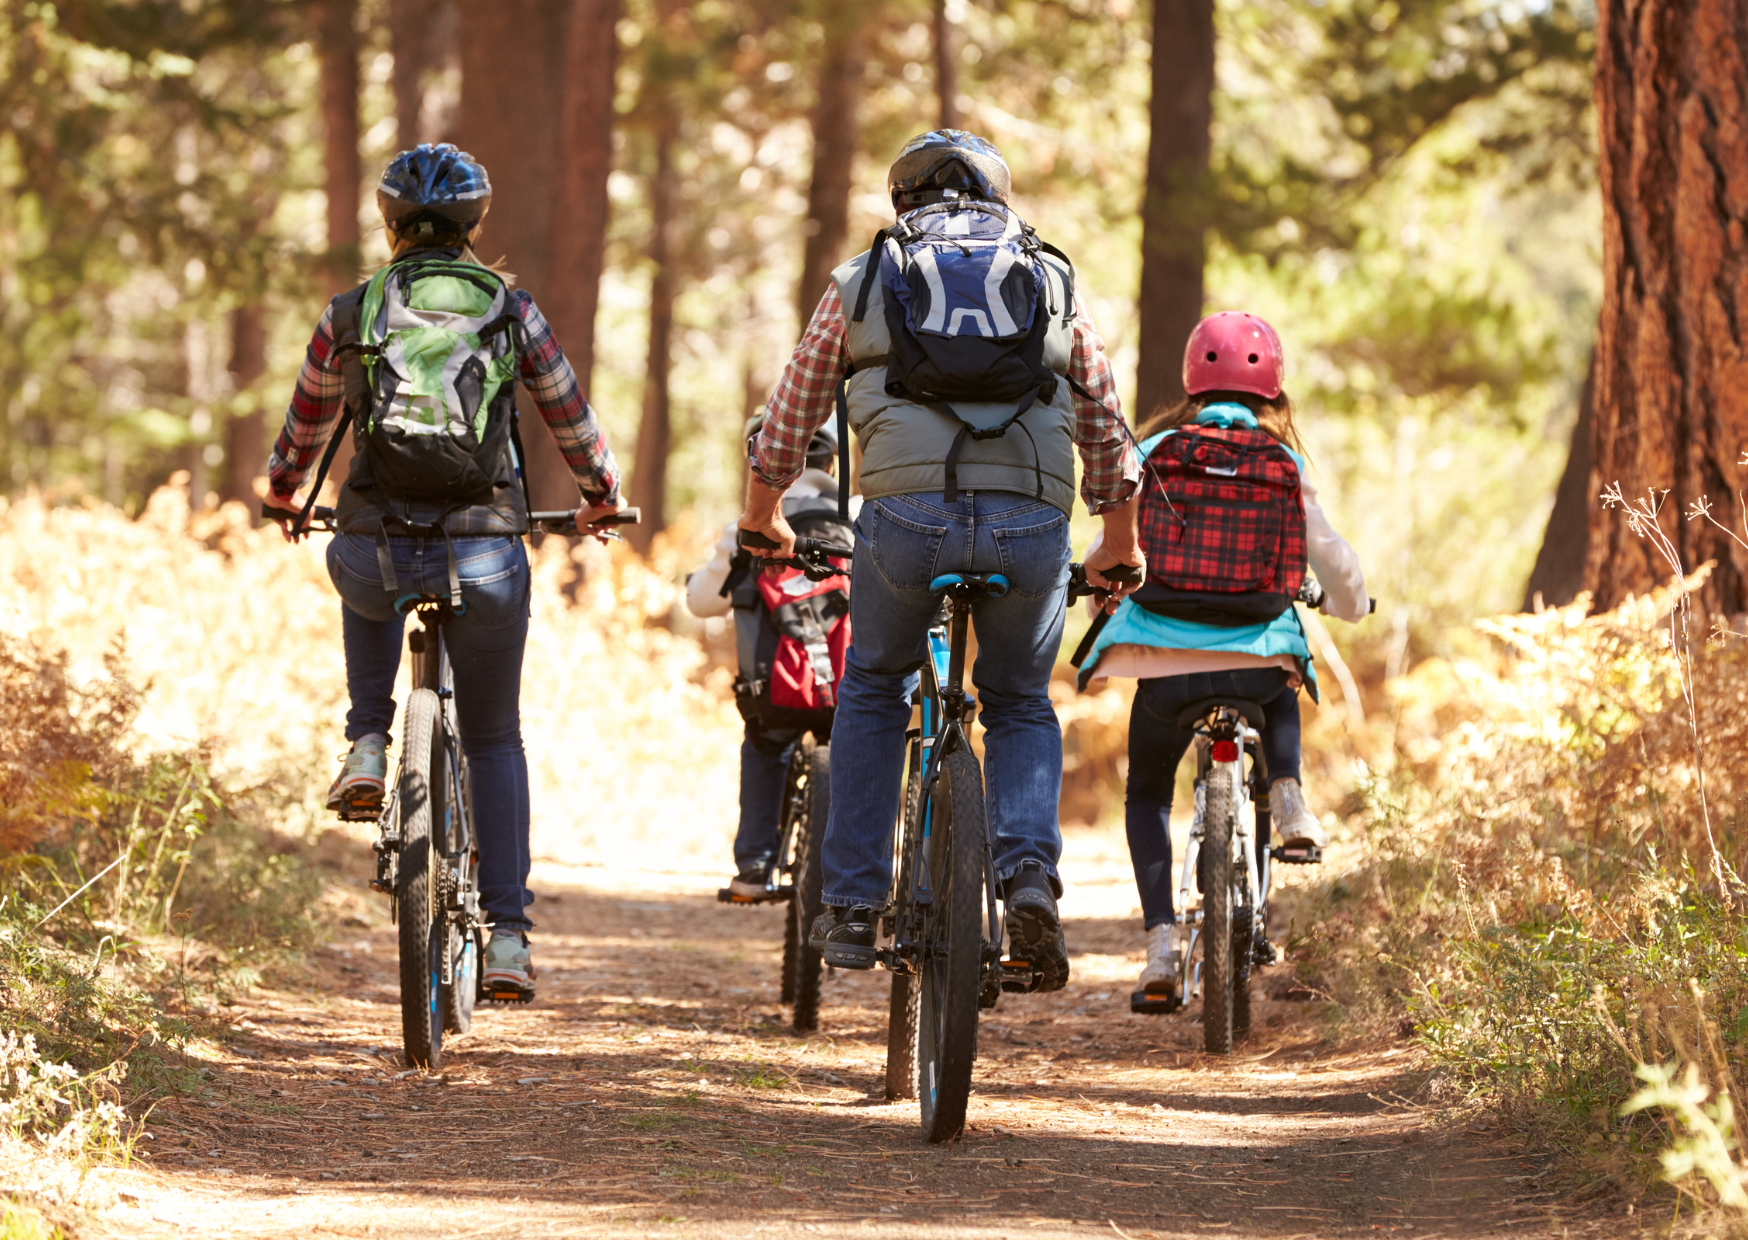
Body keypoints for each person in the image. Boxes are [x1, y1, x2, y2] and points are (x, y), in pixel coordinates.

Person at [736, 129, 1144, 990]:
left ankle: (850, 905)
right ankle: (1028, 877)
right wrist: (1119, 539)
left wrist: (762, 519)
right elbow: (1104, 418)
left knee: (876, 687)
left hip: (905, 520)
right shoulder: (1052, 276)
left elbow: (789, 418)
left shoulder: (866, 277)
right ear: (999, 199)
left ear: (902, 203)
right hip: (1031, 522)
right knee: (1021, 701)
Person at [263, 143, 624, 1001]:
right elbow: (569, 416)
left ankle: (367, 739)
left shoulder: (352, 311)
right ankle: (506, 938)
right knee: (495, 737)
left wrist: (284, 494)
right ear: (474, 227)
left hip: (374, 540)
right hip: (485, 545)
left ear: (389, 224)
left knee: (366, 566)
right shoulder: (511, 309)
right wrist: (601, 495)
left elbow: (305, 427)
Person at [1076, 311, 1369, 1011]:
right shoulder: (1284, 462)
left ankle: (1156, 948)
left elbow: (1118, 543)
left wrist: (1096, 595)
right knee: (1281, 680)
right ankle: (1288, 792)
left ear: (1191, 381)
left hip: (1164, 655)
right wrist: (1352, 605)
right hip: (1254, 653)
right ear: (1272, 390)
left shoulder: (1155, 450)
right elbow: (1332, 560)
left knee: (1147, 793)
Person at [685, 417, 856, 899]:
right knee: (862, 749)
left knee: (765, 743)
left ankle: (755, 867)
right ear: (830, 462)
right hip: (850, 688)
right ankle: (857, 879)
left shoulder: (747, 527)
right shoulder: (857, 516)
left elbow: (701, 603)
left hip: (773, 691)